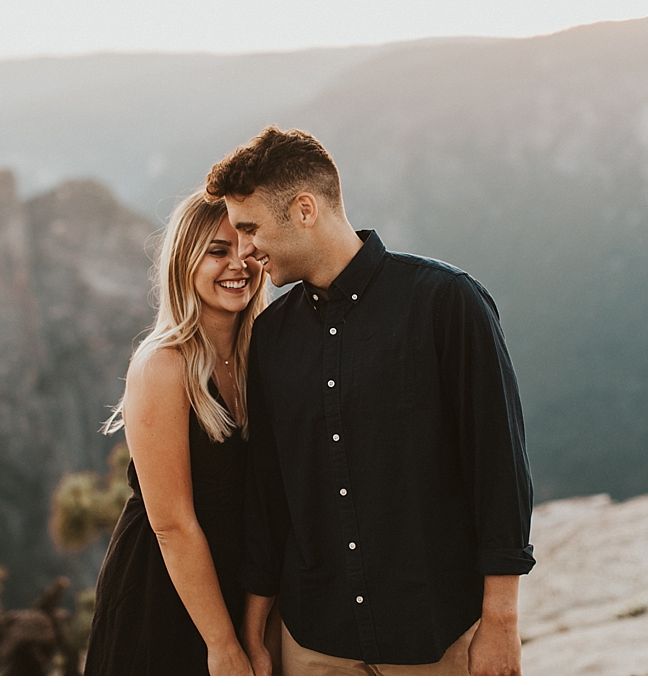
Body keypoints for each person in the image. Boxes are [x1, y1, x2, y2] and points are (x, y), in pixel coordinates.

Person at [210, 126, 534, 676]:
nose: (245, 251)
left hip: (435, 632)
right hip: (315, 640)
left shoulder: (446, 303)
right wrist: (253, 630)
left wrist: (500, 621)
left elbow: (498, 468)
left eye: (251, 228)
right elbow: (269, 496)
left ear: (305, 209)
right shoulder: (270, 339)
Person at [84, 191, 269, 675]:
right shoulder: (163, 365)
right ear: (184, 261)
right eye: (217, 251)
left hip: (239, 584)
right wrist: (223, 644)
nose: (239, 264)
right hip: (164, 592)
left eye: (247, 248)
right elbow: (173, 526)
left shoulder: (263, 355)